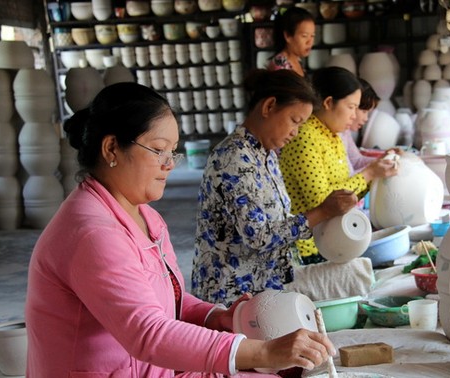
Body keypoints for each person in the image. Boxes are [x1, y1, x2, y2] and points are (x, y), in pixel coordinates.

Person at [25, 82, 336, 377]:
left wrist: (215, 316)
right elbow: (148, 333)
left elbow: (165, 302)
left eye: (172, 152)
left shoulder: (144, 216)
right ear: (111, 149)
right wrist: (263, 352)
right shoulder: (93, 233)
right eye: (159, 150)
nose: (169, 164)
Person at [190, 69, 357, 307]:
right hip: (232, 295)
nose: (295, 132)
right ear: (269, 107)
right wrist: (322, 212)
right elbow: (259, 236)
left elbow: (277, 218)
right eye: (294, 121)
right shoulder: (233, 158)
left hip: (262, 288)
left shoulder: (265, 154)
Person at [279, 67, 399, 265]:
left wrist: (378, 172)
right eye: (351, 107)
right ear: (328, 103)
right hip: (309, 249)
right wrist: (369, 174)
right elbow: (325, 203)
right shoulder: (305, 138)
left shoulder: (333, 135)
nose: (355, 115)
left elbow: (346, 194)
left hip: (333, 242)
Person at [340, 78, 381, 175]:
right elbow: (345, 179)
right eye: (364, 111)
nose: (366, 119)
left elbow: (357, 161)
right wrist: (372, 172)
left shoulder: (344, 132)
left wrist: (384, 160)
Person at [267, 6, 316, 77]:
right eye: (304, 36)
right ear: (288, 36)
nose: (310, 42)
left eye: (312, 36)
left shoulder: (297, 59)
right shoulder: (280, 66)